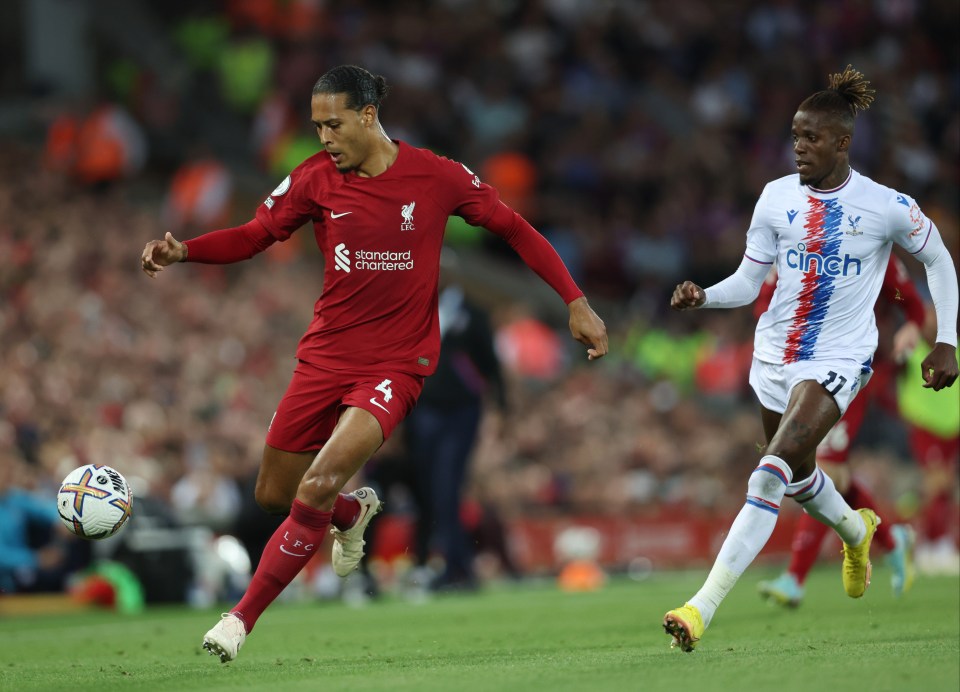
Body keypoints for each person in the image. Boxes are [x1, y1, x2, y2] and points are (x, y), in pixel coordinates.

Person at [140, 64, 608, 662]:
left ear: (367, 116)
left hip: (396, 365)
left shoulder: (437, 177)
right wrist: (187, 252)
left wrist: (576, 301)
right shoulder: (313, 179)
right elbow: (256, 234)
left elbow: (515, 229)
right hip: (325, 356)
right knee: (272, 494)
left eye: (333, 124)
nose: (323, 138)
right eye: (315, 127)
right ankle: (348, 515)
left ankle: (238, 621)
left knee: (316, 481)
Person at [664, 66, 958, 652]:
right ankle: (857, 529)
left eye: (811, 137)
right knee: (798, 477)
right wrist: (706, 296)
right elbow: (750, 282)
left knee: (769, 471)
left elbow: (940, 261)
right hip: (772, 357)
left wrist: (946, 339)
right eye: (795, 135)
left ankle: (700, 608)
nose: (799, 145)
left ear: (842, 142)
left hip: (840, 359)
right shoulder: (775, 198)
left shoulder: (885, 205)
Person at [756, 256, 925, 607]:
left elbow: (906, 296)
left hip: (847, 372)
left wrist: (912, 324)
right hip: (798, 371)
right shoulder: (794, 245)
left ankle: (794, 579)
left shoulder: (870, 243)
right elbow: (764, 301)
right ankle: (892, 540)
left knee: (824, 469)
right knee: (836, 477)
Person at [403, 255, 508, 593]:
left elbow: (490, 365)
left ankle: (454, 566)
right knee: (428, 489)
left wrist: (502, 408)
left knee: (447, 485)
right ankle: (442, 563)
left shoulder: (472, 313)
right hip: (422, 411)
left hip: (461, 412)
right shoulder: (414, 311)